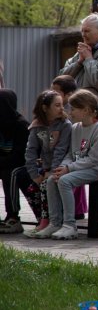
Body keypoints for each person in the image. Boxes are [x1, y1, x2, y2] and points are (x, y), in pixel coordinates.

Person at [36, 90, 98, 240]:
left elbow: (94, 159)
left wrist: (69, 169)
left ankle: (70, 225)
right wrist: (63, 167)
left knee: (65, 180)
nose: (69, 112)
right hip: (82, 167)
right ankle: (55, 223)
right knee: (53, 179)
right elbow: (71, 154)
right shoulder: (76, 127)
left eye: (73, 109)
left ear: (85, 110)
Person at [9, 91, 71, 237]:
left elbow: (61, 150)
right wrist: (34, 174)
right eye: (57, 105)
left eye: (62, 105)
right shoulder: (37, 126)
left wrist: (51, 171)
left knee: (46, 183)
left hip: (61, 166)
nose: (61, 108)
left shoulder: (65, 125)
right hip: (44, 167)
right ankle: (35, 217)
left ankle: (48, 220)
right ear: (45, 108)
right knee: (20, 175)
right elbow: (30, 150)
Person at [59, 12, 98, 109]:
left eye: (87, 31)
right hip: (77, 110)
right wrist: (79, 63)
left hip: (97, 113)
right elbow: (61, 80)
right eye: (82, 31)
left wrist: (88, 59)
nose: (83, 35)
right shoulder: (83, 51)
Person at [0, 89, 30, 232]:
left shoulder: (21, 125)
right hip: (4, 162)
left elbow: (20, 156)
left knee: (10, 173)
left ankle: (13, 217)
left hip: (21, 165)